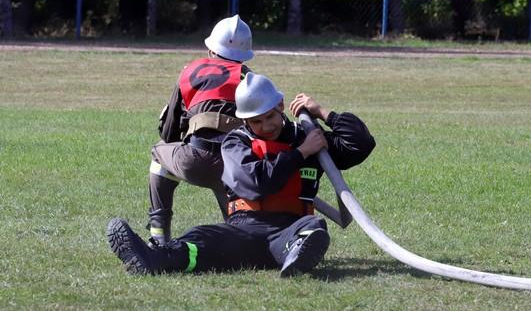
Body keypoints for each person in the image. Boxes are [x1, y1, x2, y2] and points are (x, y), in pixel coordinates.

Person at [107, 73, 376, 276]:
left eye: (269, 117)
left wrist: (323, 113)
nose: (265, 126)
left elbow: (361, 144)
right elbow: (257, 184)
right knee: (199, 238)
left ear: (281, 105)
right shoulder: (235, 143)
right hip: (244, 230)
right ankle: (154, 259)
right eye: (256, 121)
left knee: (313, 227)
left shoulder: (305, 136)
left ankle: (296, 256)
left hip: (291, 227)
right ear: (244, 120)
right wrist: (301, 153)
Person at [148, 14, 256, 245]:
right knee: (242, 237)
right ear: (245, 55)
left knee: (160, 153)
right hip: (237, 170)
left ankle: (159, 236)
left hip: (195, 160)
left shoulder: (190, 71)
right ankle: (242, 236)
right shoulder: (251, 80)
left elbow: (168, 132)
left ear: (211, 50)